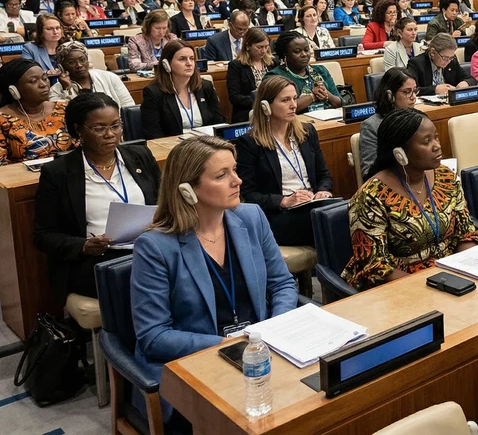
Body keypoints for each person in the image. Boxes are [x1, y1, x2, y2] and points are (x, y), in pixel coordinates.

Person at [131, 135, 297, 425]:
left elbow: (281, 284)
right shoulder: (155, 246)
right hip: (197, 364)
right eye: (222, 175)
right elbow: (153, 336)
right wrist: (228, 343)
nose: (238, 181)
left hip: (259, 351)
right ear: (187, 190)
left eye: (234, 170)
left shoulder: (252, 217)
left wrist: (274, 330)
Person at [34, 92, 160, 300]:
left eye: (116, 125)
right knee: (145, 280)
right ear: (78, 130)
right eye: (99, 128)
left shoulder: (141, 156)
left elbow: (164, 204)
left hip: (147, 247)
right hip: (97, 259)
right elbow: (43, 235)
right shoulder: (58, 173)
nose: (110, 134)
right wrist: (83, 246)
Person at [342, 109, 478, 289]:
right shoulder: (370, 196)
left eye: (436, 138)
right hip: (400, 288)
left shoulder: (446, 177)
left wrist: (464, 270)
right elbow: (375, 267)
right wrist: (430, 287)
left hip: (451, 278)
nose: (437, 146)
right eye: (426, 141)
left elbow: (466, 233)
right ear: (399, 153)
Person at [236, 77, 333, 246]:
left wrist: (324, 191)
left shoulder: (307, 132)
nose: (293, 105)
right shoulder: (250, 143)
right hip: (280, 215)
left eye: (294, 98)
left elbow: (324, 175)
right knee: (331, 224)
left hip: (315, 206)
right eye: (285, 100)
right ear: (266, 106)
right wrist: (284, 200)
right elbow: (248, 195)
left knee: (349, 211)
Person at [0, 59, 74, 169]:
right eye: (33, 81)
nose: (43, 85)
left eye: (44, 78)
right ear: (13, 90)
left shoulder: (66, 109)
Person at [141, 40, 224, 139]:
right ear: (166, 64)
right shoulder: (154, 93)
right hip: (174, 149)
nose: (189, 63)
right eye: (182, 59)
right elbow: (153, 134)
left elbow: (218, 122)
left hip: (206, 146)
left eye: (192, 59)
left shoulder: (205, 87)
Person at [357, 69, 418, 180]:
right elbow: (368, 174)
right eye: (407, 92)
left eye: (414, 91)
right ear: (390, 95)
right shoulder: (371, 126)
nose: (413, 97)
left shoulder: (418, 120)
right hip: (390, 184)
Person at [267, 32, 343, 113]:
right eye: (297, 51)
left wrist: (326, 94)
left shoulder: (321, 70)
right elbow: (282, 109)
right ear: (285, 54)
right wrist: (312, 96)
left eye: (306, 50)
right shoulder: (275, 76)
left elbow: (339, 103)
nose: (304, 55)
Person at [48, 40, 135, 107]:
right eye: (71, 62)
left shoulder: (110, 78)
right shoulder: (55, 91)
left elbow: (128, 107)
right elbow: (61, 117)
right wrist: (66, 90)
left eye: (82, 60)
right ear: (61, 67)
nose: (79, 65)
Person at [225, 27, 271, 124]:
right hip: (247, 114)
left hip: (272, 113)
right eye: (259, 47)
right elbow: (234, 97)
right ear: (247, 46)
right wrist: (259, 102)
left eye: (266, 47)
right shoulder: (236, 66)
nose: (263, 51)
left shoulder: (272, 63)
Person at [406, 33, 474, 96]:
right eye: (445, 58)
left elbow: (471, 79)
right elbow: (412, 89)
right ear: (433, 52)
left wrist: (465, 83)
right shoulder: (416, 63)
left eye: (451, 57)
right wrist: (435, 89)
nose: (448, 61)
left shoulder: (452, 61)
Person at [22, 13, 64, 78]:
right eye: (50, 29)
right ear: (40, 31)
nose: (55, 32)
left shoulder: (69, 46)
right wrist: (46, 73)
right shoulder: (29, 48)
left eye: (58, 28)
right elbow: (27, 71)